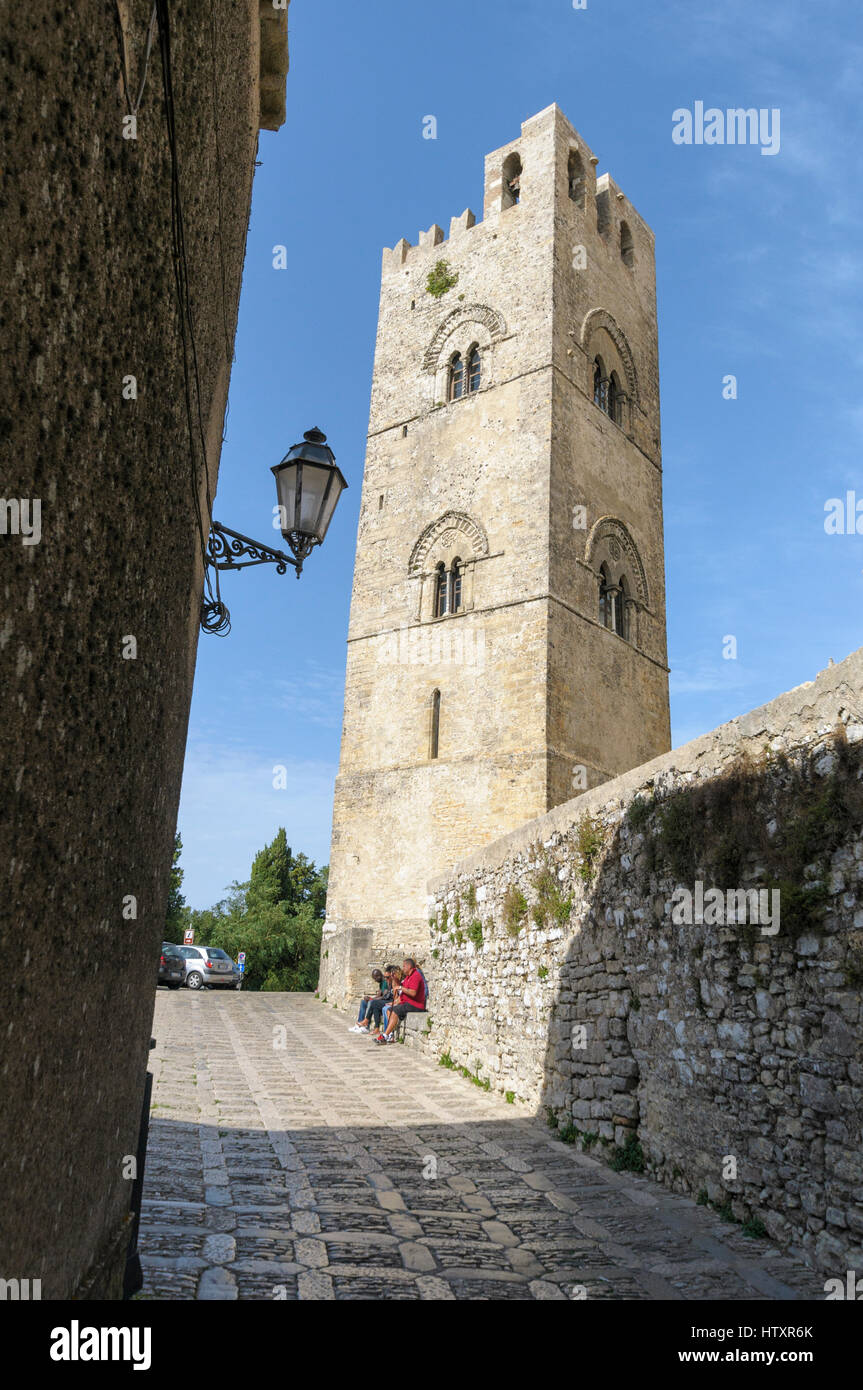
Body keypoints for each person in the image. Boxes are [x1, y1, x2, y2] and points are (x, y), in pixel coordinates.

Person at [375, 957, 426, 1045]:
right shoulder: (408, 978)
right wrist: (395, 982)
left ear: (409, 966)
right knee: (389, 1010)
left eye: (404, 966)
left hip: (416, 1005)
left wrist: (400, 987)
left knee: (395, 1011)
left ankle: (385, 1036)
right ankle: (389, 1034)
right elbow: (401, 993)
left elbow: (413, 993)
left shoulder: (416, 976)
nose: (403, 968)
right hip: (407, 1003)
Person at [354, 965, 398, 1036]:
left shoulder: (388, 982)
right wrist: (370, 998)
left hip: (389, 1001)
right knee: (365, 1002)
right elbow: (379, 995)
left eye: (387, 977)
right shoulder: (385, 982)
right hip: (386, 1000)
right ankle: (368, 1025)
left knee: (373, 1003)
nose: (386, 978)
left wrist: (371, 999)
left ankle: (366, 1024)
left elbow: (385, 996)